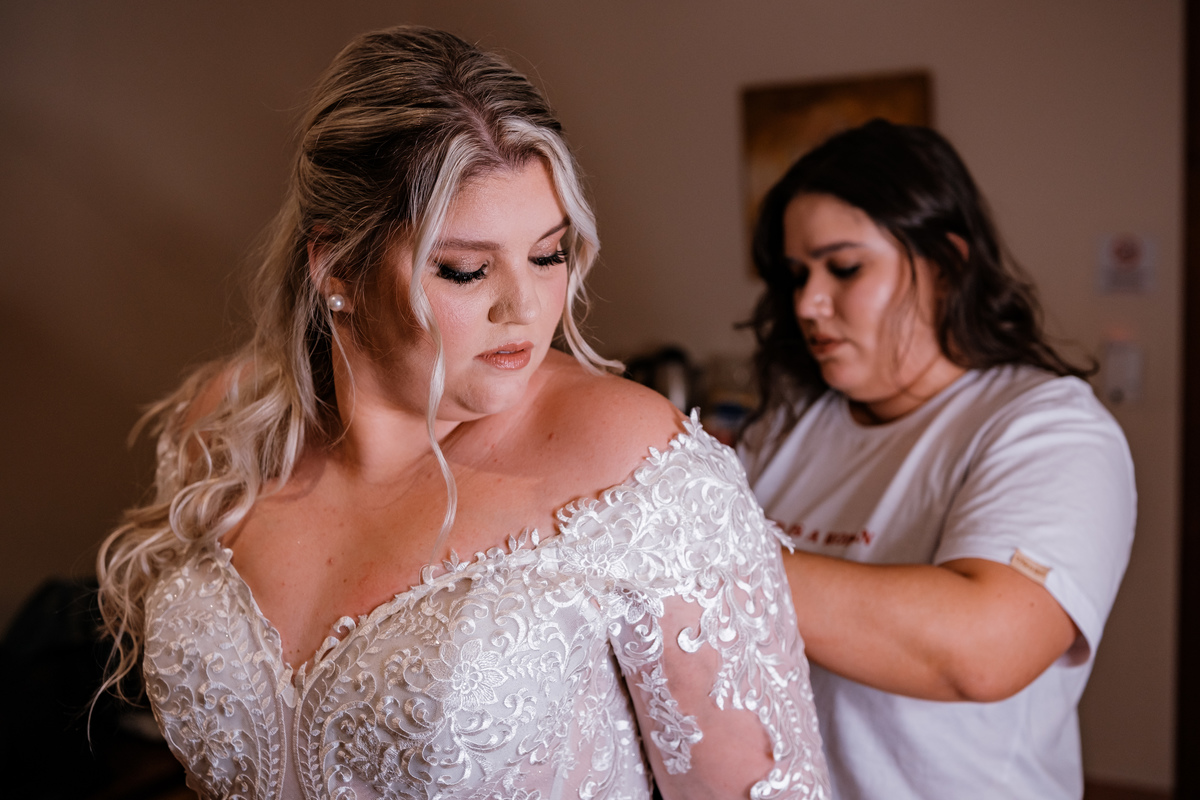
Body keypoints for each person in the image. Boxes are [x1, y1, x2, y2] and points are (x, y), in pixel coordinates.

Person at [95, 26, 829, 800]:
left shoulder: (633, 464)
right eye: (467, 269)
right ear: (335, 266)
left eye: (548, 255)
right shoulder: (226, 427)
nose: (524, 307)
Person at [738, 119, 1135, 800]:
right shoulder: (788, 428)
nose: (808, 303)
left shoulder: (1049, 428)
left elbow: (983, 649)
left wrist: (698, 559)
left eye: (844, 267)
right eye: (797, 275)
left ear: (945, 265)